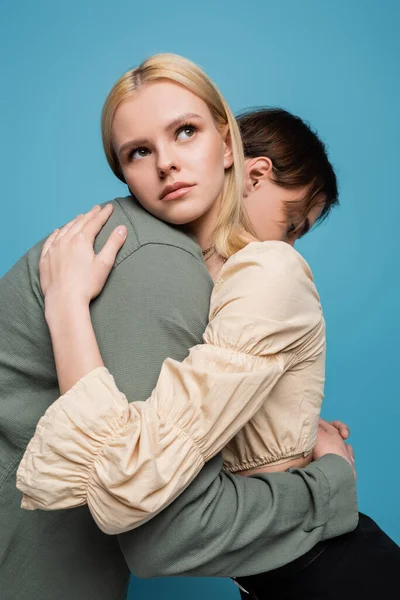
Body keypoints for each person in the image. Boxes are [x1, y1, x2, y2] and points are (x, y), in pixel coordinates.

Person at [16, 54, 400, 599]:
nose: (167, 164)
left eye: (186, 133)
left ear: (228, 149)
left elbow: (132, 483)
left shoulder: (268, 269)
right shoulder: (185, 278)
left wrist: (328, 473)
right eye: (139, 152)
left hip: (335, 570)